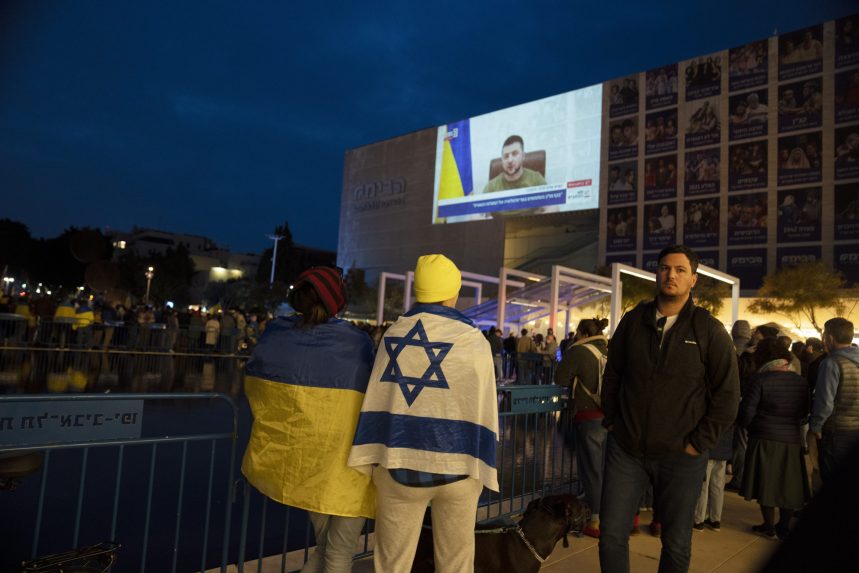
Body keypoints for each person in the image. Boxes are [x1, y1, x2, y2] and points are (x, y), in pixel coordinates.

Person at [348, 254, 499, 573]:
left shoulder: (393, 336)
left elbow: (380, 397)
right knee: (456, 564)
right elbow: (483, 404)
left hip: (399, 465)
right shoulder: (474, 341)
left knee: (393, 564)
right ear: (452, 292)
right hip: (458, 467)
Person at [599, 244, 740, 573]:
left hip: (682, 455)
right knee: (611, 536)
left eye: (679, 270)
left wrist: (697, 443)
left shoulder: (708, 330)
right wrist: (613, 422)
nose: (670, 275)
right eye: (664, 268)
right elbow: (614, 375)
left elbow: (728, 395)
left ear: (693, 279)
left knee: (676, 542)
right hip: (627, 449)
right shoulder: (634, 321)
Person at [242, 267, 376, 573]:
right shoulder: (357, 343)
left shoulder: (277, 334)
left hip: (307, 462)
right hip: (348, 461)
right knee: (340, 552)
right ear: (338, 301)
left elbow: (255, 383)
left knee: (325, 544)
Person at [738, 337, 810, 541]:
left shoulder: (759, 380)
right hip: (792, 439)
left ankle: (768, 526)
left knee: (766, 484)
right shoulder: (800, 381)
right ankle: (784, 526)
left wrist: (751, 427)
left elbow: (746, 413)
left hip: (764, 437)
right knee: (788, 484)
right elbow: (805, 413)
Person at [554, 318, 609, 538]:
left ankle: (595, 520)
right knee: (604, 469)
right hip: (609, 417)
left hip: (587, 416)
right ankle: (607, 513)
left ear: (583, 332)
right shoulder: (607, 351)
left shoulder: (580, 352)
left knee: (591, 470)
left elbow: (560, 378)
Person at [808, 318, 859, 485]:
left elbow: (825, 401)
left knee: (833, 481)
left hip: (837, 431)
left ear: (830, 338)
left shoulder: (831, 363)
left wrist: (816, 426)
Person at [481, 135, 546, 193]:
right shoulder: (491, 188)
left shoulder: (536, 180)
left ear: (523, 156)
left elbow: (551, 204)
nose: (510, 160)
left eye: (514, 154)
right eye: (506, 156)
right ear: (502, 160)